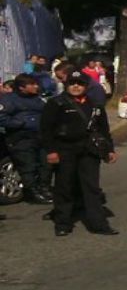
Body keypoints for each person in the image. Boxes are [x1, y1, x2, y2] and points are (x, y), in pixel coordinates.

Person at [41, 71, 118, 236]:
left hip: (89, 151)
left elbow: (103, 129)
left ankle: (99, 224)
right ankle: (63, 224)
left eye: (80, 83)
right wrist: (51, 151)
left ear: (86, 86)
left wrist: (110, 150)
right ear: (67, 85)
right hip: (64, 150)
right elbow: (46, 130)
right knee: (65, 187)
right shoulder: (56, 103)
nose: (76, 86)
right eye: (72, 83)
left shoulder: (95, 105)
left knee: (92, 188)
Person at [0, 74, 53, 204]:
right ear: (22, 87)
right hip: (21, 138)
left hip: (40, 136)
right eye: (32, 84)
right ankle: (32, 192)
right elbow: (2, 117)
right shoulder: (9, 100)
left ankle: (44, 188)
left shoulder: (39, 98)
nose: (36, 86)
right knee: (28, 166)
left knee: (45, 164)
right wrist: (19, 123)